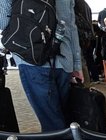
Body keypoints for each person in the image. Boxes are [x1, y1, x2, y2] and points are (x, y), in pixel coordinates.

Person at [0, 0, 83, 131]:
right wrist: (77, 65)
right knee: (65, 119)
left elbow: (3, 21)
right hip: (63, 59)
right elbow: (71, 26)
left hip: (32, 58)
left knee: (52, 123)